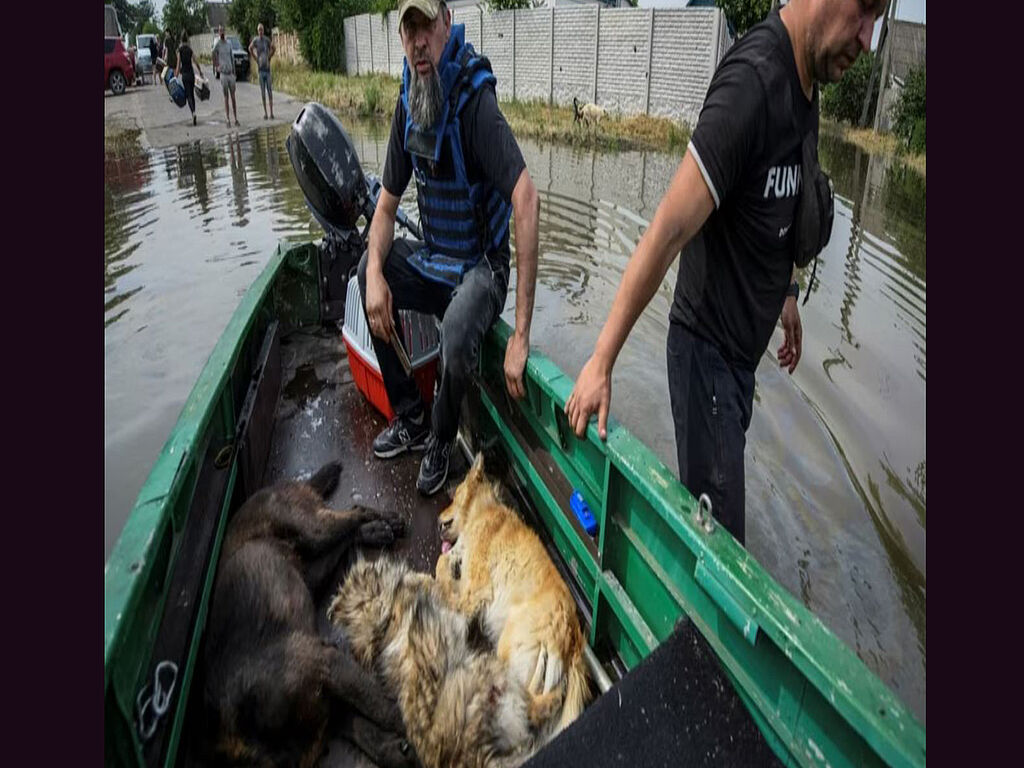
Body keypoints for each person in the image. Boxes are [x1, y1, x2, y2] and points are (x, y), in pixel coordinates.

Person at [564, 0, 884, 545]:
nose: (868, 37)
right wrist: (601, 360)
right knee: (721, 551)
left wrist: (786, 291)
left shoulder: (807, 85)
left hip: (739, 362)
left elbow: (777, 202)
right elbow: (665, 230)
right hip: (706, 352)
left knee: (715, 521)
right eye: (864, 10)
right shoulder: (753, 83)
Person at [359, 0, 540, 495]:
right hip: (437, 260)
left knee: (458, 331)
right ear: (402, 38)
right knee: (365, 271)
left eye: (426, 27)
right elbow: (385, 209)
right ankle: (412, 417)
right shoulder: (407, 102)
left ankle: (440, 438)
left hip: (481, 267)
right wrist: (377, 273)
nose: (419, 40)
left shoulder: (473, 101)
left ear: (445, 24)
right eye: (409, 28)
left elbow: (526, 199)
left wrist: (521, 334)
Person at [212, 26, 239, 127]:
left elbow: (232, 57)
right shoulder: (217, 44)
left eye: (223, 30)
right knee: (226, 97)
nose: (222, 32)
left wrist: (234, 72)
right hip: (223, 73)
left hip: (230, 73)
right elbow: (213, 53)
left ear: (224, 32)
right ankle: (228, 119)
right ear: (218, 33)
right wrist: (216, 66)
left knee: (233, 97)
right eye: (220, 31)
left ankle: (236, 118)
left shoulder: (228, 44)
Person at [175, 32, 204, 126]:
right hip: (191, 75)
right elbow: (196, 61)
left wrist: (175, 77)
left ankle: (193, 113)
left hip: (185, 76)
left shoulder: (180, 50)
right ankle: (194, 113)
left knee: (188, 96)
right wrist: (200, 72)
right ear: (187, 39)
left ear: (180, 40)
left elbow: (178, 65)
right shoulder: (190, 50)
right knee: (191, 94)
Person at [248, 23, 276, 120]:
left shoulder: (266, 40)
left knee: (270, 91)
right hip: (260, 70)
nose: (260, 31)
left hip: (267, 70)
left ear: (263, 31)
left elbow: (274, 48)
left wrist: (269, 56)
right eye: (259, 30)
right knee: (263, 92)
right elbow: (250, 48)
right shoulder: (256, 40)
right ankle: (265, 113)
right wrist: (256, 58)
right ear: (257, 31)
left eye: (262, 30)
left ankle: (271, 113)